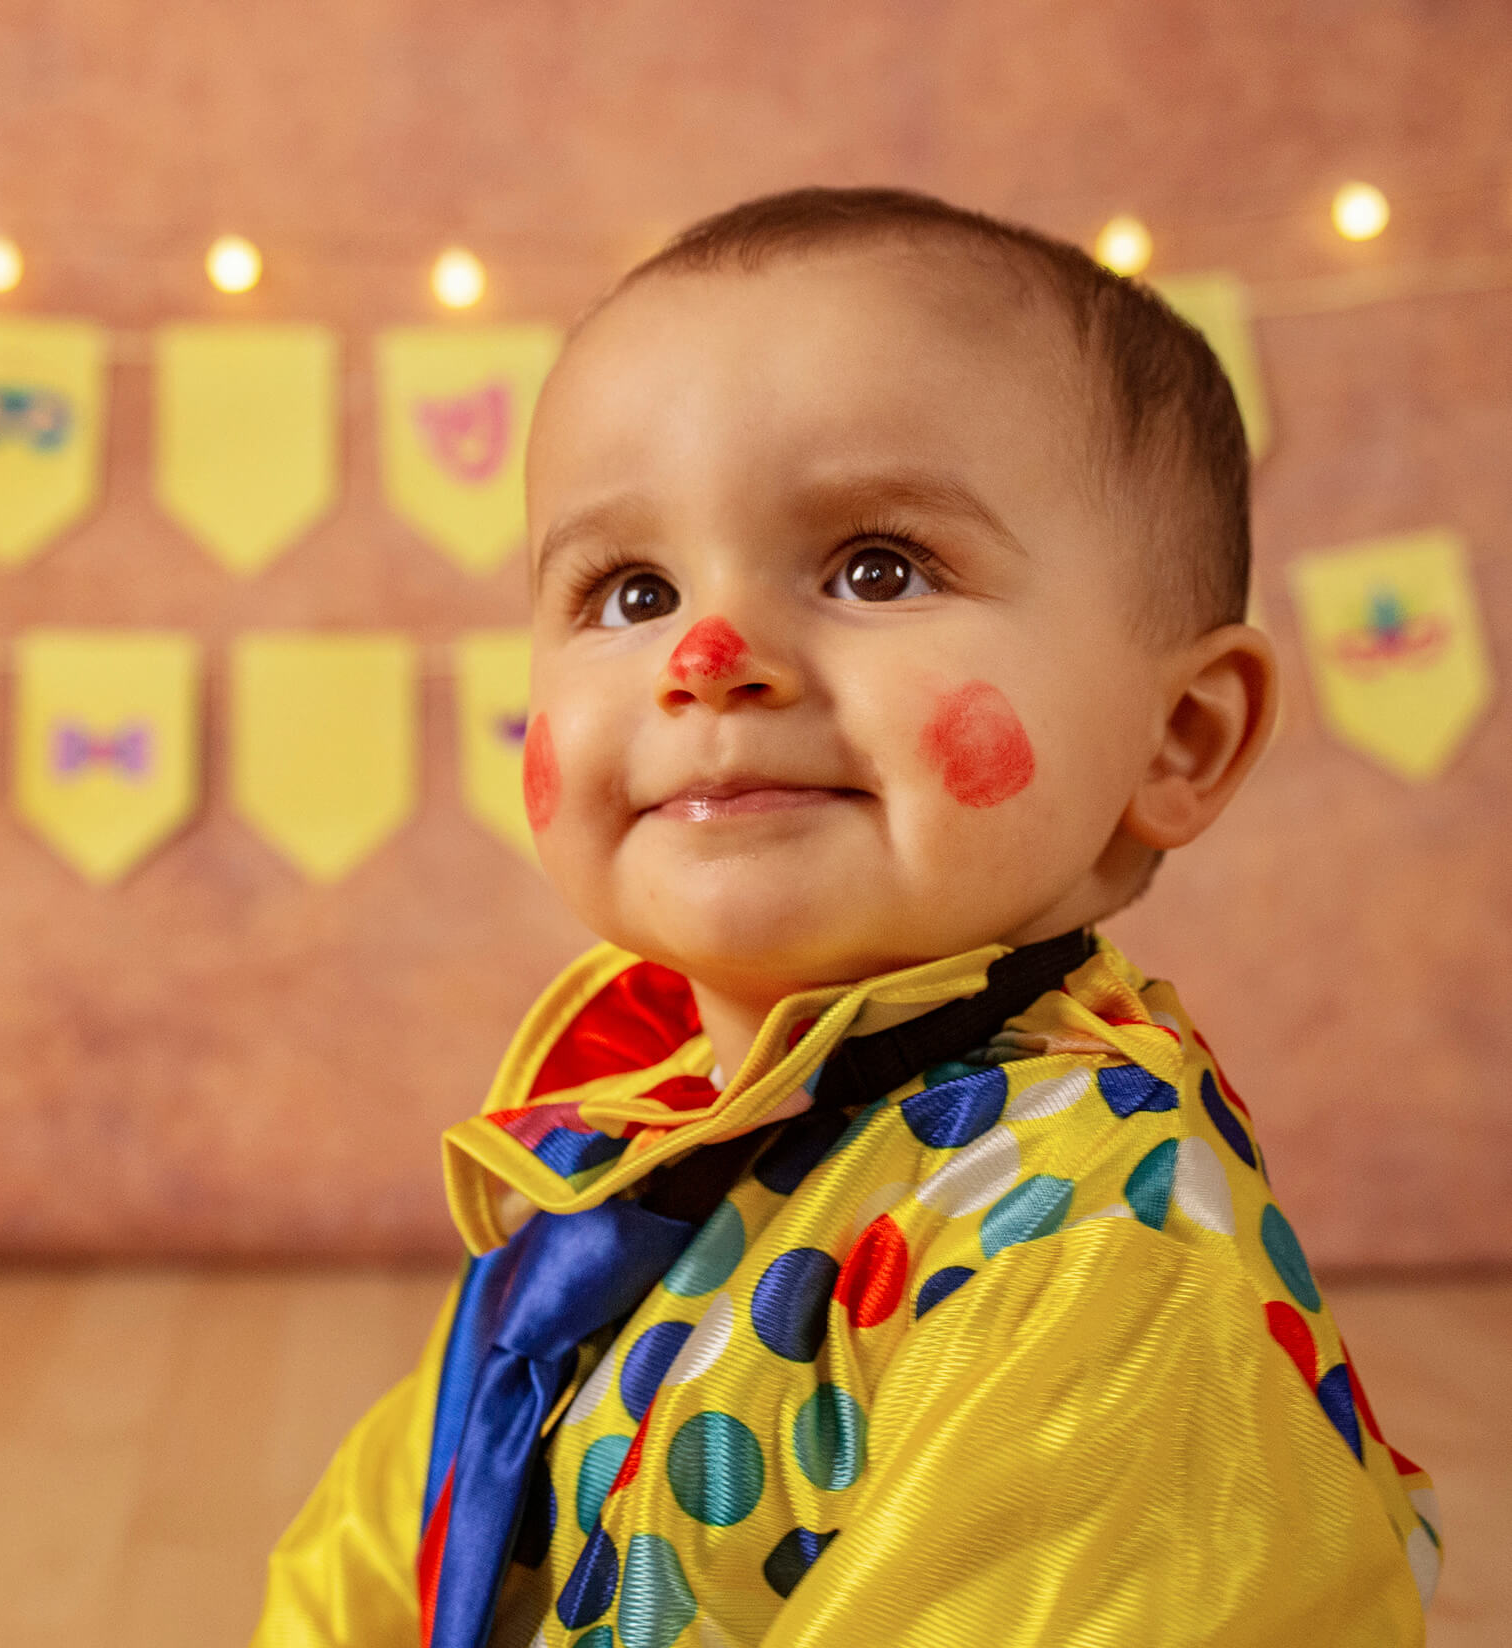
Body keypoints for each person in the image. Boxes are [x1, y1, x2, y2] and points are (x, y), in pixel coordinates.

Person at [250, 188, 1439, 1648]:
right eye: (628, 589)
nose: (707, 656)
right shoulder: (631, 1147)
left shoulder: (1095, 1269)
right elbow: (393, 1551)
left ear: (1177, 736)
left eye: (877, 566)